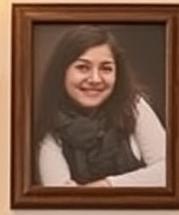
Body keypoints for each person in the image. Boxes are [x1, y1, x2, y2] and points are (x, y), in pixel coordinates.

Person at [33, 24, 167, 188]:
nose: (95, 79)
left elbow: (168, 171)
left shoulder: (133, 106)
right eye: (83, 67)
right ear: (62, 71)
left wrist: (107, 185)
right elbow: (59, 193)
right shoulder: (50, 125)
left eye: (106, 68)